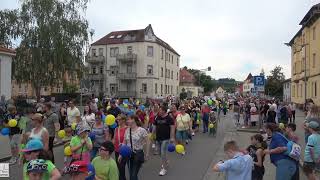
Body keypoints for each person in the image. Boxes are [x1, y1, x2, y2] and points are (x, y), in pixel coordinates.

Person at [121, 115, 149, 180]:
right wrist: (121, 154)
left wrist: (146, 154)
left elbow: (147, 142)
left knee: (133, 175)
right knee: (132, 174)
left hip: (138, 154)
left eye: (129, 119)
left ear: (133, 120)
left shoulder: (142, 130)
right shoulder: (127, 130)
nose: (127, 121)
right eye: (127, 120)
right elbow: (124, 142)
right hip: (129, 155)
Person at [153, 105, 175, 176]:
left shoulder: (169, 118)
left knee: (163, 153)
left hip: (166, 138)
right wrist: (152, 134)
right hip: (158, 138)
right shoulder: (157, 117)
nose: (159, 111)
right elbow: (154, 126)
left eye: (160, 110)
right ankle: (166, 161)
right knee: (160, 153)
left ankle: (164, 169)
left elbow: (172, 128)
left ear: (164, 111)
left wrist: (172, 137)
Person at [113, 114, 128, 180]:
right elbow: (114, 139)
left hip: (124, 151)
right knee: (120, 168)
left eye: (119, 119)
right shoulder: (116, 129)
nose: (118, 120)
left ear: (124, 120)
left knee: (121, 167)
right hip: (117, 151)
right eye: (117, 119)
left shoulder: (127, 129)